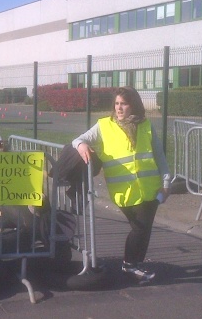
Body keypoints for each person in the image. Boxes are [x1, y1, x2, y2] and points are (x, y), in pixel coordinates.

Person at [72, 86, 170, 283]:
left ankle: (134, 265)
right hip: (124, 191)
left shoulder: (146, 125)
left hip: (151, 189)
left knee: (144, 228)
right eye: (116, 103)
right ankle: (129, 265)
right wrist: (81, 145)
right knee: (140, 228)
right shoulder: (104, 126)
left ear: (133, 105)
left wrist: (166, 182)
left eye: (123, 104)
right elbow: (78, 139)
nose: (119, 108)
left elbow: (159, 156)